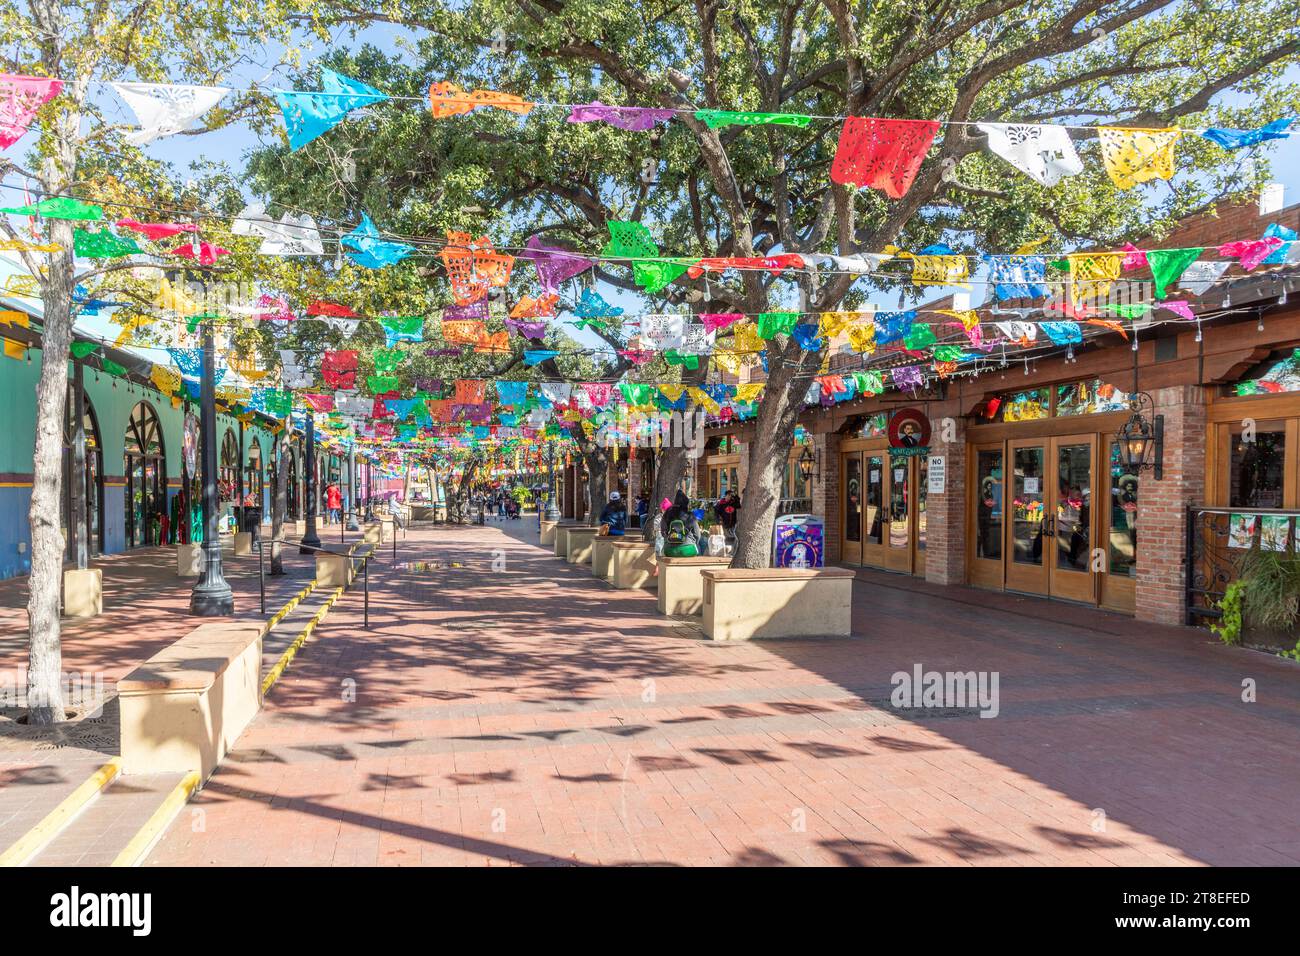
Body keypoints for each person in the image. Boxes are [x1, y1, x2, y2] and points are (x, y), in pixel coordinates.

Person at [661, 491, 700, 557]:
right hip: (688, 549)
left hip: (669, 550)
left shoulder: (667, 513)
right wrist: (692, 543)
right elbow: (697, 534)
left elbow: (663, 532)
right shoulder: (690, 515)